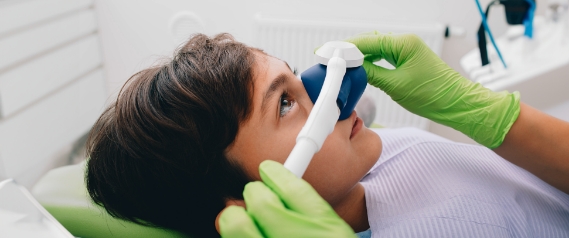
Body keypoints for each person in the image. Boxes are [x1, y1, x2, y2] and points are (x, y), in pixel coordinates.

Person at [85, 33, 569, 238]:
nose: (335, 95)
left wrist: (492, 117)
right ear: (247, 202)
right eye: (286, 102)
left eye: (296, 76)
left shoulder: (377, 154)